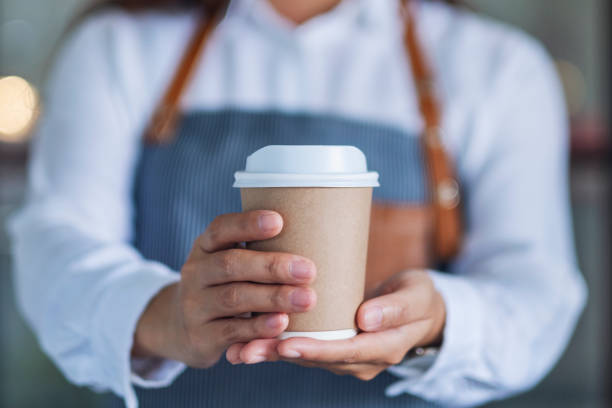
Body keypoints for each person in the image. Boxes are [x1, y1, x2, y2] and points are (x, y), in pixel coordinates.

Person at [9, 0, 587, 407]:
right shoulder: (119, 44)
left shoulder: (498, 67)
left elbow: (537, 293)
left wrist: (440, 322)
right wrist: (164, 316)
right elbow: (56, 243)